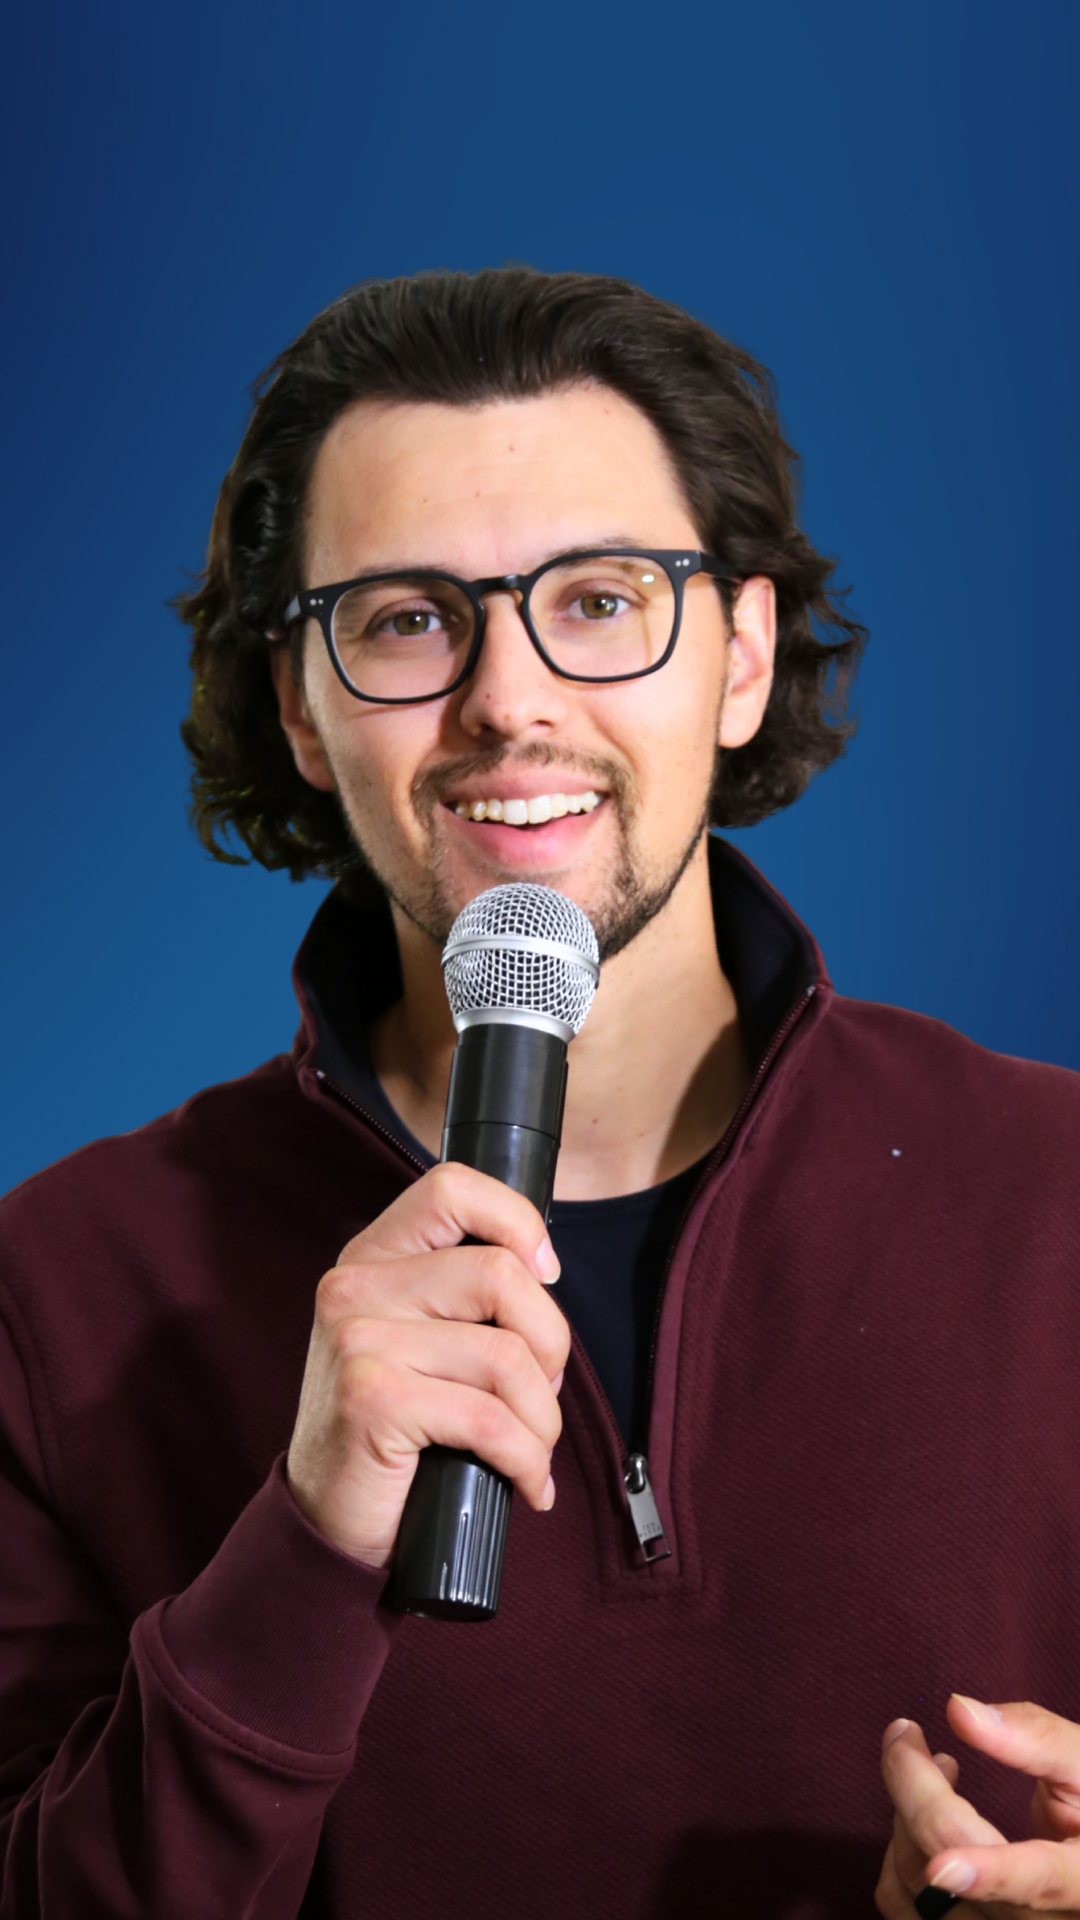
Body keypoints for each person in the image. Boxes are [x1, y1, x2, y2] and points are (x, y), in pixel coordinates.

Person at [2, 269, 1080, 1920]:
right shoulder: (56, 1292)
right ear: (300, 706)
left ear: (739, 658)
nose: (509, 699)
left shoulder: (1055, 1189)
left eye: (598, 599)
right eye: (409, 618)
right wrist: (301, 1552)